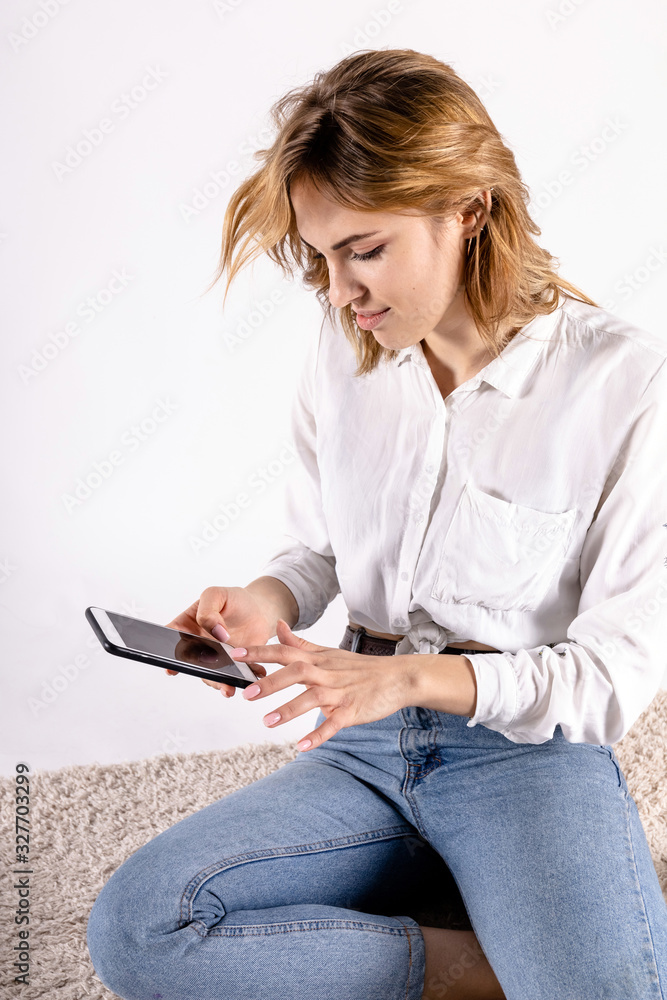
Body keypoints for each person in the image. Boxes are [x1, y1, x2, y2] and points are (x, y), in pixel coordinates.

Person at [86, 48, 667, 1000]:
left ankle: (524, 900)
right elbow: (319, 547)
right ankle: (469, 963)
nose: (340, 291)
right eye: (321, 256)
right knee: (142, 927)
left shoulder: (626, 385)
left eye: (363, 249)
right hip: (361, 745)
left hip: (522, 757)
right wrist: (265, 602)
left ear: (468, 210)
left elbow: (612, 681)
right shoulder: (347, 345)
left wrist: (401, 675)